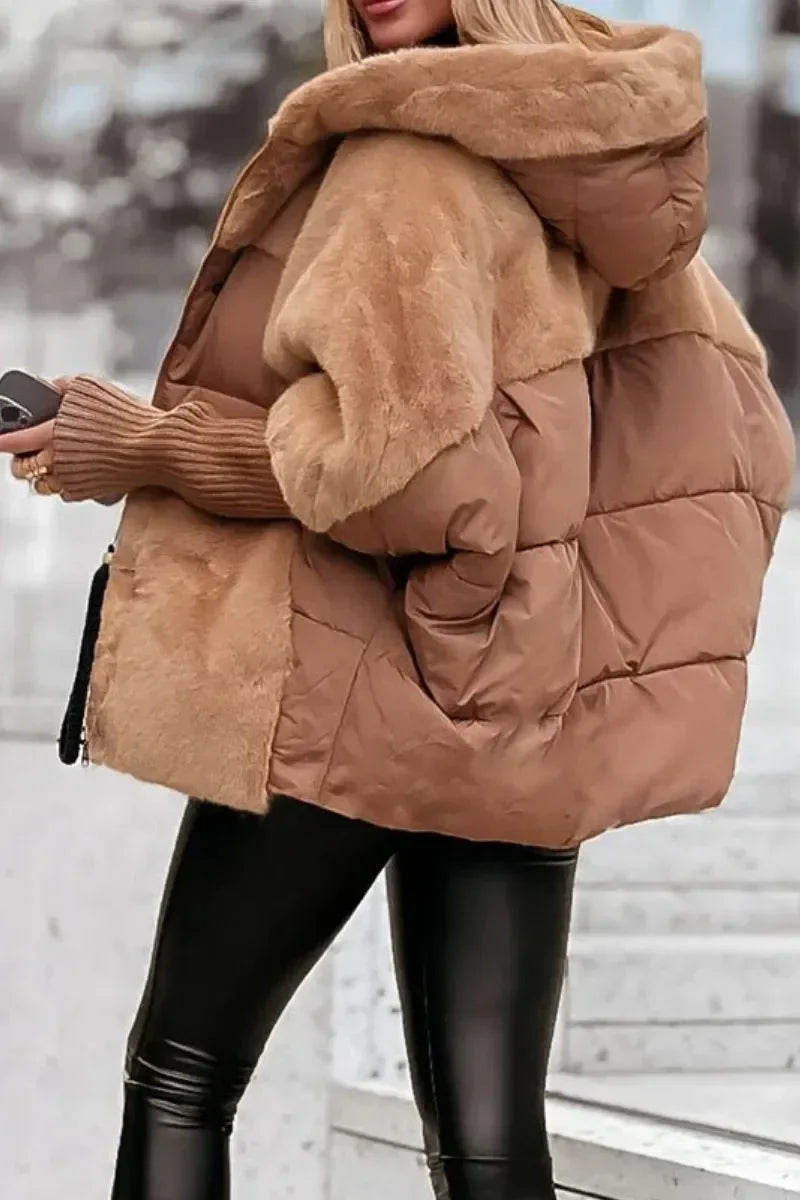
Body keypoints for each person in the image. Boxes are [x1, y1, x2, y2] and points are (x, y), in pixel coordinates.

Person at [0, 1, 795, 1197]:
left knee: (180, 1074)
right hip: (514, 720)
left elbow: (407, 472)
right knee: (485, 1136)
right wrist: (522, 635)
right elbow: (743, 439)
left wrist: (147, 448)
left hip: (347, 692)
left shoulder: (402, 155)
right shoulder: (589, 155)